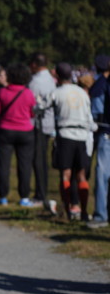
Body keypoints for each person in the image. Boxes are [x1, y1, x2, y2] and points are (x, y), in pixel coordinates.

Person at [51, 62, 94, 221]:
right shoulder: (82, 93)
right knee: (82, 175)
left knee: (66, 174)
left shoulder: (57, 92)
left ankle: (67, 209)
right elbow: (89, 116)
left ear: (57, 76)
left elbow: (41, 107)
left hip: (65, 135)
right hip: (82, 136)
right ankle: (84, 211)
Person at [0, 63, 37, 206]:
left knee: (3, 165)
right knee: (25, 165)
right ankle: (24, 196)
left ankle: (3, 196)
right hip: (25, 131)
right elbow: (32, 113)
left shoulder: (3, 92)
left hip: (6, 130)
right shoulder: (28, 93)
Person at [28, 53, 57, 214]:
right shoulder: (50, 80)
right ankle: (41, 191)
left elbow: (31, 103)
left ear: (34, 64)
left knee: (38, 160)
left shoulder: (35, 82)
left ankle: (40, 194)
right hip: (48, 123)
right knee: (42, 159)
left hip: (38, 124)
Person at [87, 54, 110, 228]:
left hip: (105, 133)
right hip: (106, 132)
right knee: (103, 175)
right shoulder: (103, 84)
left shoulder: (100, 84)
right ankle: (101, 214)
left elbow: (96, 112)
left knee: (102, 175)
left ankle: (101, 214)